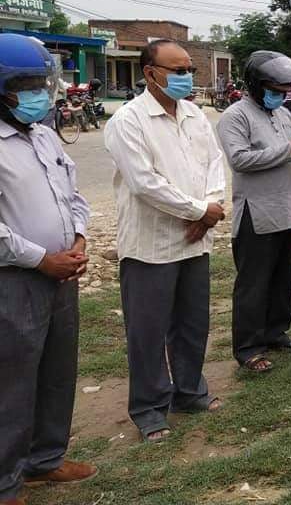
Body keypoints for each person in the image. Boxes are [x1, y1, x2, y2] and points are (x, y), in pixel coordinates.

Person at [103, 39, 226, 442]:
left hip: (195, 240)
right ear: (150, 73)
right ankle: (150, 408)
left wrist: (210, 209)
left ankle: (189, 391)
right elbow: (144, 183)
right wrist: (198, 211)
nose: (186, 77)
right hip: (150, 245)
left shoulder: (195, 115)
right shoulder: (128, 121)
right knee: (148, 330)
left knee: (193, 323)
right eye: (177, 70)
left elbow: (215, 165)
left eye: (189, 69)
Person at [0, 34, 96, 505]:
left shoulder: (43, 135)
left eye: (44, 83)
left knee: (58, 370)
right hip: (15, 279)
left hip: (62, 274)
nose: (41, 92)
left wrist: (77, 239)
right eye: (28, 84)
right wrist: (41, 259)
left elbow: (73, 195)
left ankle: (45, 459)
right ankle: (5, 481)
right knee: (12, 381)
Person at [217, 52, 291, 373]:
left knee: (283, 277)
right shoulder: (234, 117)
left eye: (284, 90)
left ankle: (275, 331)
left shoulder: (283, 114)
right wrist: (289, 150)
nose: (280, 95)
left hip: (287, 208)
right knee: (254, 282)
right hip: (257, 212)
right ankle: (248, 347)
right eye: (274, 89)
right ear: (255, 85)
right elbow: (239, 159)